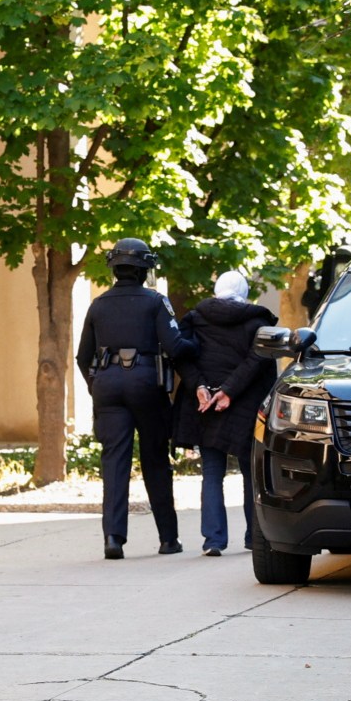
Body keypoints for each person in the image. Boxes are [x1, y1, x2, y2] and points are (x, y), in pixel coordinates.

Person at [75, 239, 197, 559]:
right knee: (155, 459)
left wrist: (97, 384)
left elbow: (82, 355)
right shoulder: (155, 302)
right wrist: (196, 344)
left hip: (107, 385)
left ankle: (113, 539)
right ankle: (168, 539)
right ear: (145, 270)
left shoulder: (98, 305)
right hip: (147, 383)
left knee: (114, 461)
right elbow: (175, 347)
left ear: (114, 269)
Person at [172, 271, 274, 557]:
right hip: (245, 406)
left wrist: (200, 387)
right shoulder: (256, 322)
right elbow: (257, 362)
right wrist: (229, 391)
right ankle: (255, 537)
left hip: (206, 406)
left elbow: (181, 355)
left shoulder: (195, 318)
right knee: (249, 473)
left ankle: (213, 540)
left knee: (212, 473)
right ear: (244, 291)